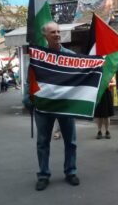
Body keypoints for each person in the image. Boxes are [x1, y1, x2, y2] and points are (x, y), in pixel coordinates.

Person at [23, 21, 80, 191]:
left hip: (65, 106)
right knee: (42, 142)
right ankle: (43, 174)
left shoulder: (70, 56)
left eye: (58, 31)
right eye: (52, 32)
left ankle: (70, 171)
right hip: (44, 106)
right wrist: (28, 100)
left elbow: (80, 78)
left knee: (71, 141)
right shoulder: (38, 57)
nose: (56, 34)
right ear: (45, 35)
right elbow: (30, 80)